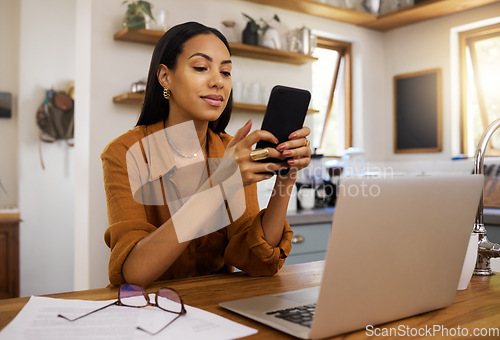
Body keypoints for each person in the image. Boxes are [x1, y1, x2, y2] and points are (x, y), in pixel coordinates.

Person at [101, 21, 311, 287]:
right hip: (148, 311)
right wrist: (219, 185)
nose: (217, 82)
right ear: (165, 76)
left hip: (217, 309)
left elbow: (259, 262)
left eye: (225, 72)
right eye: (201, 68)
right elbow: (134, 272)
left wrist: (286, 178)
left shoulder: (230, 150)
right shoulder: (125, 153)